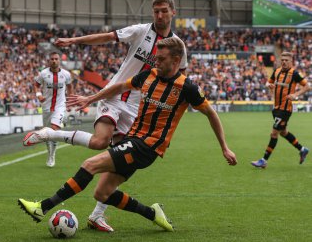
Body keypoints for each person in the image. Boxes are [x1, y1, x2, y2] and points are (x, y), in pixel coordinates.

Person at [19, 37, 237, 233]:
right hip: (133, 139)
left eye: (161, 59)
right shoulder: (148, 75)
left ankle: (42, 207)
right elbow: (118, 87)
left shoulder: (187, 88)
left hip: (148, 147)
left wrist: (224, 147)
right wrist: (90, 99)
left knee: (89, 164)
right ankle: (153, 214)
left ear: (176, 60)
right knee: (102, 193)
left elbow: (211, 114)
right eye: (155, 58)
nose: (156, 63)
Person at [26, 0, 187, 232]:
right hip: (113, 95)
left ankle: (97, 216)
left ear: (173, 12)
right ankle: (51, 133)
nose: (160, 16)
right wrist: (74, 41)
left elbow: (179, 79)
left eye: (164, 11)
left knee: (122, 166)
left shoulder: (178, 47)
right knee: (100, 142)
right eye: (156, 11)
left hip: (136, 108)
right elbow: (107, 37)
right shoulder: (141, 31)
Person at [251, 52, 310, 168]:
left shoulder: (294, 74)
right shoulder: (277, 71)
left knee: (274, 133)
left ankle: (264, 160)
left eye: (286, 60)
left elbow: (307, 86)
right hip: (276, 108)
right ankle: (302, 149)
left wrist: (295, 95)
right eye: (282, 59)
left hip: (285, 109)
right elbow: (269, 82)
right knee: (283, 132)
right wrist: (269, 86)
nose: (284, 62)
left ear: (291, 61)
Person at [32, 51, 72, 167]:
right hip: (46, 107)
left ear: (59, 61)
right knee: (46, 133)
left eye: (56, 59)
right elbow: (36, 85)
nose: (54, 61)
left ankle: (52, 155)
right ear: (49, 61)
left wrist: (70, 100)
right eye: (52, 59)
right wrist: (38, 95)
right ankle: (49, 152)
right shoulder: (43, 74)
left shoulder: (66, 74)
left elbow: (70, 87)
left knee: (54, 129)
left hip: (60, 106)